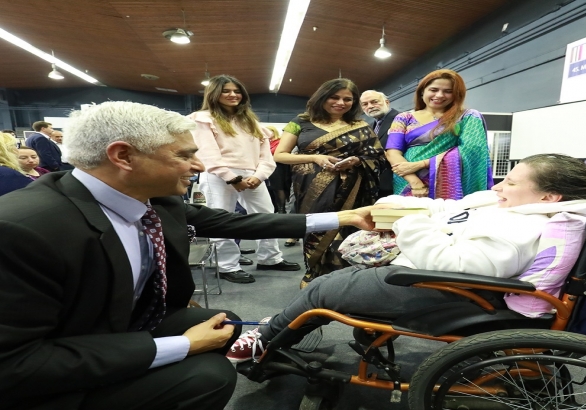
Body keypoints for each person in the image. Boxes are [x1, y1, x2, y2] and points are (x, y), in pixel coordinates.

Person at [0, 101, 379, 410]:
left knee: (224, 322)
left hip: (111, 328)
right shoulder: (22, 229)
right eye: (185, 155)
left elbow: (239, 223)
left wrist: (344, 217)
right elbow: (15, 365)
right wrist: (184, 345)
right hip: (45, 374)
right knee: (209, 377)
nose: (199, 166)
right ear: (123, 156)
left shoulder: (152, 198)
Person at [225, 153, 586, 363]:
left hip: (450, 289)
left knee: (322, 289)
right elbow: (453, 208)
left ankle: (266, 339)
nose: (498, 186)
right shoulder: (510, 206)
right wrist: (404, 206)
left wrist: (409, 222)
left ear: (549, 197)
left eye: (509, 181)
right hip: (437, 276)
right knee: (336, 280)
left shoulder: (522, 228)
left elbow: (454, 265)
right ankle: (283, 322)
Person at [188, 74, 300, 284]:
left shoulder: (250, 121)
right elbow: (208, 154)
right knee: (221, 219)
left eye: (237, 91)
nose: (233, 95)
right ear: (214, 93)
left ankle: (270, 258)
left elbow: (266, 156)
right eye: (226, 91)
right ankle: (227, 266)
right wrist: (232, 178)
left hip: (253, 175)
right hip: (218, 175)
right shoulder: (203, 118)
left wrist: (259, 176)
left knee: (266, 215)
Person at [274, 78, 386, 288]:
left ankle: (346, 278)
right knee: (316, 228)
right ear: (322, 97)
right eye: (334, 97)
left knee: (349, 229)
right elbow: (280, 155)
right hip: (311, 188)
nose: (341, 103)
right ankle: (314, 273)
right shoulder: (300, 122)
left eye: (347, 99)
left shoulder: (360, 125)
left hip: (353, 189)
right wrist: (315, 158)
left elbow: (378, 157)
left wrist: (357, 161)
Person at [386, 69, 492, 198]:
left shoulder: (467, 117)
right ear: (422, 91)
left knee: (444, 210)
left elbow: (472, 150)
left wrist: (422, 164)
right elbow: (392, 153)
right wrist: (414, 182)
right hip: (406, 180)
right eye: (434, 90)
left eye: (448, 91)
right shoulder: (403, 118)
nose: (440, 95)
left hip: (447, 181)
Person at [360, 90, 399, 198]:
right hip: (378, 184)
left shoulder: (401, 119)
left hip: (398, 180)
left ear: (387, 102)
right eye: (365, 104)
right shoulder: (368, 127)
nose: (370, 106)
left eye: (374, 102)